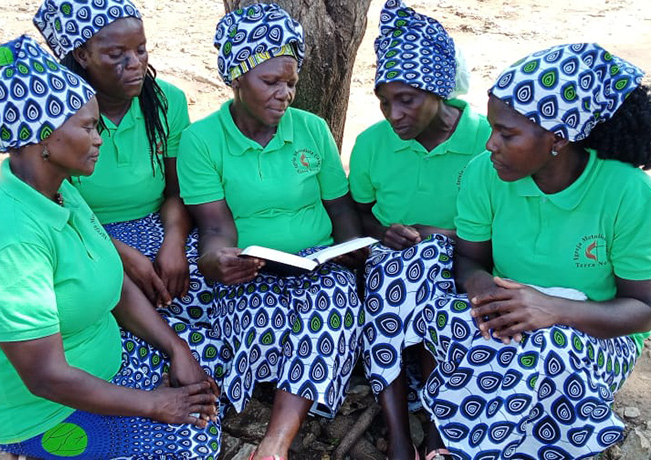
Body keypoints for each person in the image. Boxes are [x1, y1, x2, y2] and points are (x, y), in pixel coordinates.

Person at [0, 36, 226, 459]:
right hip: (41, 411)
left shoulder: (61, 192)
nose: (99, 138)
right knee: (184, 444)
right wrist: (155, 404)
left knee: (205, 378)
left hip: (103, 362)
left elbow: (114, 282)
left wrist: (176, 347)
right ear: (42, 139)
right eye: (87, 127)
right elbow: (45, 377)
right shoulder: (9, 242)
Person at [416, 43, 651, 458]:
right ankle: (446, 441)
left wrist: (553, 310)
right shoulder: (484, 175)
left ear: (558, 139)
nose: (490, 145)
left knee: (545, 349)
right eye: (491, 129)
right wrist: (484, 290)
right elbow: (470, 257)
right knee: (446, 308)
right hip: (509, 311)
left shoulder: (625, 191)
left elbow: (642, 309)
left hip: (592, 331)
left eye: (507, 134)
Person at [176, 4, 366, 459]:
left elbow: (340, 212)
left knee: (332, 308)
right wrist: (219, 262)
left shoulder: (313, 130)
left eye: (291, 83)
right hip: (251, 268)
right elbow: (216, 230)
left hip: (318, 264)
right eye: (270, 82)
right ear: (237, 78)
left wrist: (349, 251)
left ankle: (275, 443)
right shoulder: (203, 141)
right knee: (264, 323)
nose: (284, 94)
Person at [348, 2, 491, 458]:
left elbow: (503, 226)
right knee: (407, 266)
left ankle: (436, 431)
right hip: (394, 269)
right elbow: (360, 210)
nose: (394, 114)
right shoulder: (374, 144)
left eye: (406, 99)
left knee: (428, 269)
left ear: (439, 91)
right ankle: (400, 436)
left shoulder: (486, 143)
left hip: (469, 266)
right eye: (384, 102)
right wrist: (383, 232)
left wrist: (445, 238)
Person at [33, 0, 213, 324]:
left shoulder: (167, 103)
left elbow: (176, 191)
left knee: (210, 291)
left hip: (160, 225)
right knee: (117, 310)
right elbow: (52, 212)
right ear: (82, 55)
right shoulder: (57, 119)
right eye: (117, 55)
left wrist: (174, 241)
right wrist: (118, 253)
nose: (135, 64)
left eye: (141, 49)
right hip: (82, 239)